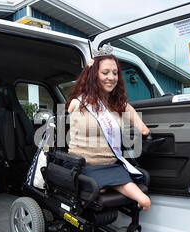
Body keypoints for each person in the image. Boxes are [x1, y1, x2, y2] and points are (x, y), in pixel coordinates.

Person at [65, 49, 152, 210]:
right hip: (83, 167)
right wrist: (86, 71)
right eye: (105, 72)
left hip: (111, 166)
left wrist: (146, 134)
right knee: (102, 187)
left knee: (145, 200)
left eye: (115, 73)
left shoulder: (119, 104)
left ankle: (111, 187)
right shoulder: (78, 102)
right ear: (94, 75)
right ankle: (106, 185)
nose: (111, 77)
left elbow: (142, 127)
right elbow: (75, 98)